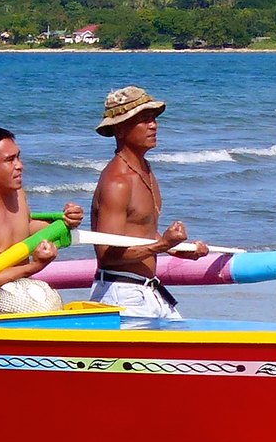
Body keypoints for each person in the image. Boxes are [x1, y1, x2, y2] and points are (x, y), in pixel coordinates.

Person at [88, 86, 206, 323]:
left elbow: (140, 232)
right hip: (122, 295)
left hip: (148, 291)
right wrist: (162, 245)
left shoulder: (145, 170)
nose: (153, 126)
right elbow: (107, 255)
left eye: (153, 119)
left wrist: (181, 249)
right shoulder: (117, 182)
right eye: (144, 120)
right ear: (120, 129)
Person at [0, 127, 84, 313]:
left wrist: (65, 223)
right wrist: (36, 265)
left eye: (18, 157)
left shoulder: (17, 194)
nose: (20, 165)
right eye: (9, 160)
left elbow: (23, 228)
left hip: (17, 294)